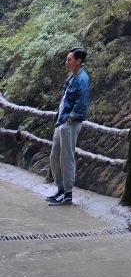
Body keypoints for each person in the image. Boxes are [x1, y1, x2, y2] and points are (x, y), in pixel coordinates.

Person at [48, 47, 90, 205]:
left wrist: (70, 120)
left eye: (69, 59)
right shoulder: (72, 78)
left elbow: (81, 103)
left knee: (67, 158)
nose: (66, 62)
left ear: (78, 61)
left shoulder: (82, 79)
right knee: (54, 157)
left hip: (69, 123)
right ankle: (60, 189)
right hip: (62, 121)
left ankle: (67, 194)